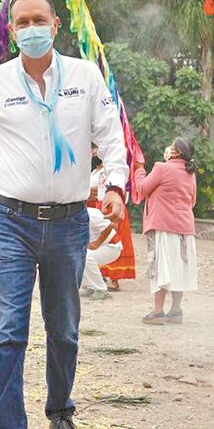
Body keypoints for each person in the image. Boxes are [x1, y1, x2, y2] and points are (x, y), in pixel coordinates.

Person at [0, 0, 128, 429]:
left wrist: (116, 186)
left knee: (64, 327)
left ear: (56, 25)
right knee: (9, 328)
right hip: (9, 220)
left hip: (69, 222)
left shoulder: (84, 76)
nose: (30, 28)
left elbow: (111, 137)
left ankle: (60, 412)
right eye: (21, 22)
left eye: (39, 19)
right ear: (11, 30)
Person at [136, 137, 198, 325]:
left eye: (171, 146)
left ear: (177, 152)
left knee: (160, 268)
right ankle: (176, 311)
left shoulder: (162, 168)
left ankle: (157, 311)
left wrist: (139, 171)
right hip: (185, 227)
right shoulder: (190, 173)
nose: (168, 148)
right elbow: (192, 201)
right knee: (179, 268)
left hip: (163, 226)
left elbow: (142, 189)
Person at [88, 145, 136, 291]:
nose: (95, 153)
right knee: (98, 240)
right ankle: (99, 275)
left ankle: (115, 279)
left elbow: (121, 189)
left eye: (97, 150)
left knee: (114, 238)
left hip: (112, 206)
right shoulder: (96, 170)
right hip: (99, 205)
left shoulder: (114, 171)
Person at [80, 207, 121, 300]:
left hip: (111, 247)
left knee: (85, 257)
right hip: (101, 246)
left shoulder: (91, 214)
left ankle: (101, 290)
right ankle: (89, 287)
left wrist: (97, 242)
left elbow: (111, 225)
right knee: (77, 255)